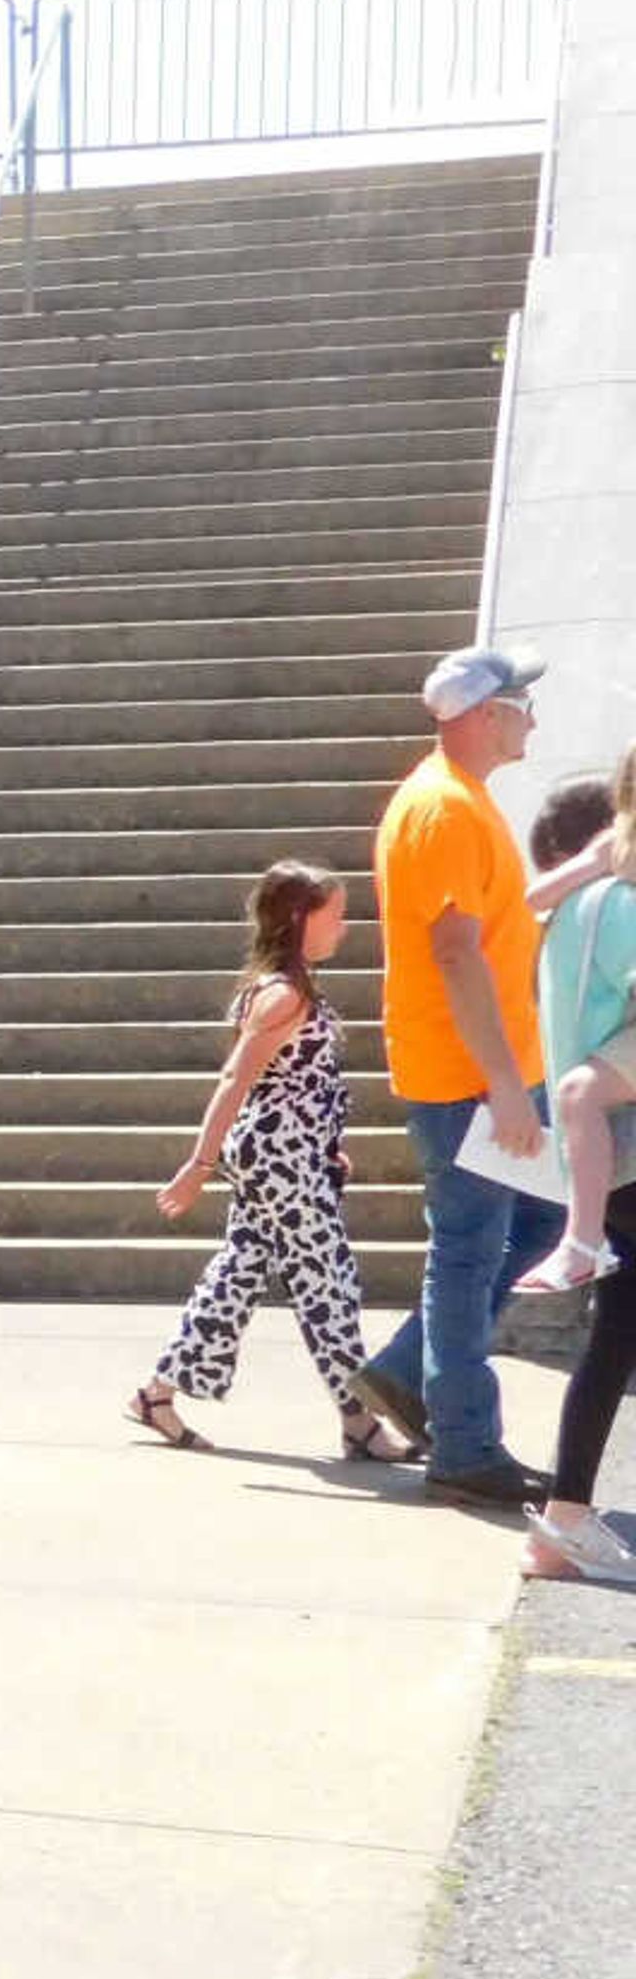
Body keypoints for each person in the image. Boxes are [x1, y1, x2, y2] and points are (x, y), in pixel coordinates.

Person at [349, 644, 566, 1511]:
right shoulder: (444, 808)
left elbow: (479, 926)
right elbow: (452, 950)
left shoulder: (459, 800)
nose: (532, 718)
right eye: (521, 703)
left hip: (485, 1072)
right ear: (483, 714)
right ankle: (466, 1444)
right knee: (468, 1255)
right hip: (471, 1079)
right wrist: (505, 1085)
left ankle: (410, 1372)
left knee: (541, 1224)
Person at [126, 862, 414, 1465]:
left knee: (238, 1276)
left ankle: (157, 1394)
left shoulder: (286, 985)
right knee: (327, 1284)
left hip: (289, 1154)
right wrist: (199, 1163)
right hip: (281, 1161)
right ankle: (358, 1419)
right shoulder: (283, 993)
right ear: (297, 918)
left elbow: (292, 1082)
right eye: (333, 915)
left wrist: (324, 1140)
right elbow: (238, 1078)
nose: (344, 927)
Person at [530, 757, 636, 1582]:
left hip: (610, 1159)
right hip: (627, 1143)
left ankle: (560, 1524)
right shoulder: (623, 906)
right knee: (614, 1336)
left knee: (616, 1336)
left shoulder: (574, 906)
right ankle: (560, 1522)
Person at [520, 747, 636, 1300]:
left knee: (579, 1090)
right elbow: (533, 896)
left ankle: (583, 1242)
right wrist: (593, 862)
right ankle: (582, 1242)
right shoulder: (615, 861)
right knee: (578, 1091)